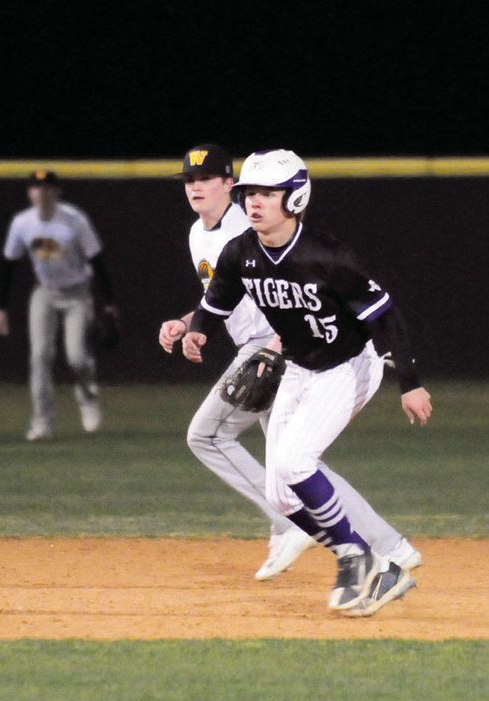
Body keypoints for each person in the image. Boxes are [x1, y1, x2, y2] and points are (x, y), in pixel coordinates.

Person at [182, 149, 433, 617]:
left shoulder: (328, 256)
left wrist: (411, 383)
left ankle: (355, 557)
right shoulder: (242, 252)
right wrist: (198, 328)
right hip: (298, 369)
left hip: (348, 366)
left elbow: (386, 316)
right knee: (280, 493)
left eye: (267, 194)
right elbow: (218, 299)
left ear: (295, 197)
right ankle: (383, 566)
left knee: (297, 463)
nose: (254, 202)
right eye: (249, 193)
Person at [0, 169, 118, 441]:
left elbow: (97, 260)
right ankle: (41, 423)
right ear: (30, 193)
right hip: (45, 292)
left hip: (77, 293)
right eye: (37, 188)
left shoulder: (74, 220)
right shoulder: (22, 223)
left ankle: (87, 397)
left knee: (75, 356)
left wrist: (108, 303)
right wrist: (0, 307)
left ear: (57, 192)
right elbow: (8, 265)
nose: (43, 192)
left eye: (48, 187)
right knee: (39, 356)